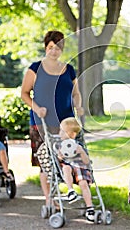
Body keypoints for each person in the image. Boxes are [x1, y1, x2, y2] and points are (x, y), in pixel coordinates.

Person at [20, 30, 84, 208]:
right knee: (45, 162)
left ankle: (73, 190)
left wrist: (78, 106)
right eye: (50, 47)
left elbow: (76, 93)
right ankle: (49, 198)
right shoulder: (35, 68)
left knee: (69, 158)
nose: (53, 51)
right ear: (45, 48)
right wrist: (37, 108)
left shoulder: (69, 70)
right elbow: (24, 94)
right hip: (41, 123)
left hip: (66, 124)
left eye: (57, 48)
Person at [57, 117, 94, 221]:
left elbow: (87, 161)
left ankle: (89, 207)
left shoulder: (79, 145)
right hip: (68, 169)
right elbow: (59, 160)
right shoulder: (60, 146)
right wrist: (60, 156)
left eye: (63, 131)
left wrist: (81, 152)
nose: (60, 133)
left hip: (80, 168)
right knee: (66, 168)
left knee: (84, 184)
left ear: (72, 135)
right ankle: (70, 191)